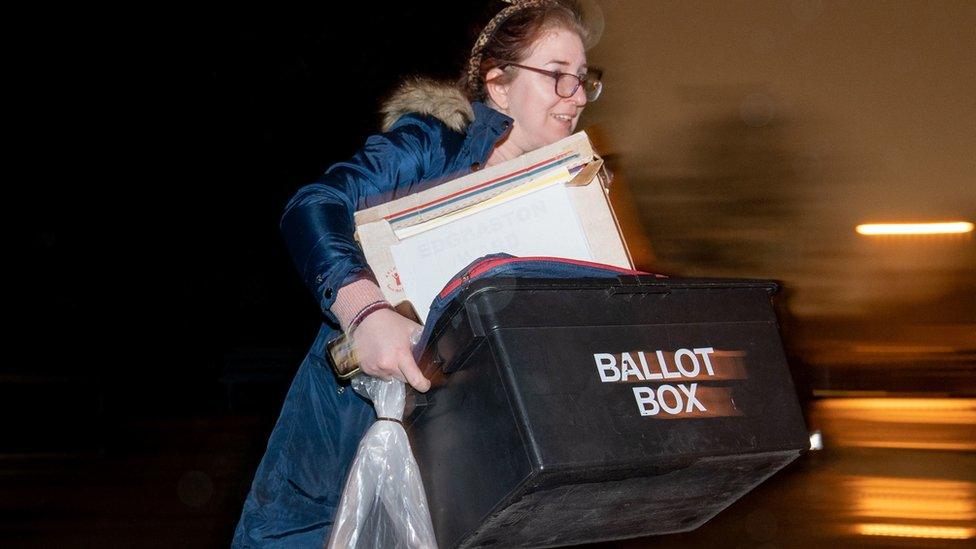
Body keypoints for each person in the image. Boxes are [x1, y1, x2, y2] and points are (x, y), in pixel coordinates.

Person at [233, 1, 602, 546]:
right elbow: (313, 206)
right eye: (556, 76)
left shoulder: (564, 192)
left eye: (583, 80)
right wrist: (365, 310)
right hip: (347, 443)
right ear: (499, 85)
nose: (575, 96)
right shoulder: (434, 145)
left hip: (475, 470)